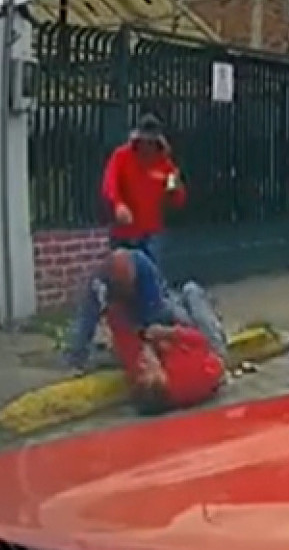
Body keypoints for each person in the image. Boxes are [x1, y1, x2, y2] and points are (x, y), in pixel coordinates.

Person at [64, 249, 228, 412]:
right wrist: (166, 334)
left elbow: (132, 342)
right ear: (160, 380)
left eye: (142, 371)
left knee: (178, 300)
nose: (144, 366)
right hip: (199, 343)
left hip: (165, 329)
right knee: (190, 293)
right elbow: (198, 339)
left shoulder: (154, 372)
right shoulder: (186, 373)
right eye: (146, 371)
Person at [101, 112, 187, 272]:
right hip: (124, 233)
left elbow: (177, 200)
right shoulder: (122, 156)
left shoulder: (165, 166)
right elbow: (109, 183)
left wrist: (176, 187)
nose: (146, 147)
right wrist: (118, 204)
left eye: (151, 143)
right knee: (122, 278)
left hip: (151, 234)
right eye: (143, 142)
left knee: (150, 276)